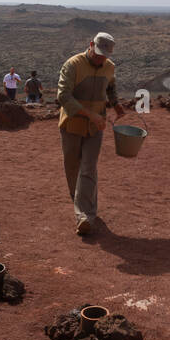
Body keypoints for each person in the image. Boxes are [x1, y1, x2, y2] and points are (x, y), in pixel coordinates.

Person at [57, 33, 124, 236]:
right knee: (72, 167)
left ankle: (85, 215)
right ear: (90, 45)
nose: (100, 59)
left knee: (88, 167)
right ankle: (79, 202)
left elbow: (110, 87)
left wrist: (117, 105)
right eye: (98, 54)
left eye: (104, 56)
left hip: (96, 127)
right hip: (72, 124)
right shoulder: (73, 65)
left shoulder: (109, 66)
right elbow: (63, 96)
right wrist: (90, 115)